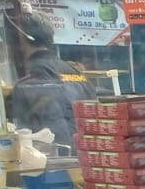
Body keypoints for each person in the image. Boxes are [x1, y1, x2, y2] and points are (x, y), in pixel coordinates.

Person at [8, 11, 95, 145]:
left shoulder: (25, 84)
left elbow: (22, 137)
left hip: (48, 160)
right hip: (85, 157)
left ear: (22, 40)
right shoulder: (79, 75)